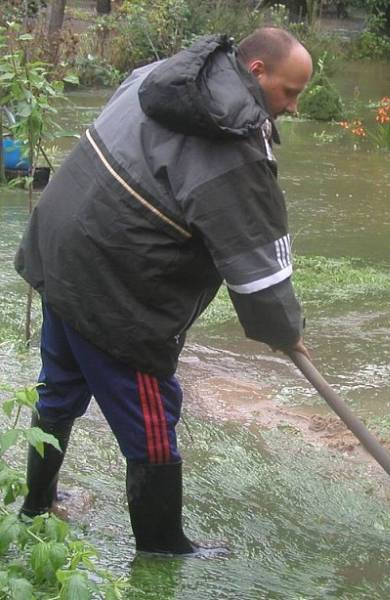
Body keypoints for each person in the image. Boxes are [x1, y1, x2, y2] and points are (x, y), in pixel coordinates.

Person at [14, 28, 313, 554]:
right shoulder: (230, 143)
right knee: (151, 417)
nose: (292, 105)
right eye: (289, 92)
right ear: (257, 72)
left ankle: (37, 504)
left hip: (60, 247)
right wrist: (283, 329)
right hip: (113, 283)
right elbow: (255, 256)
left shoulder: (162, 74)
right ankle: (163, 546)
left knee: (58, 384)